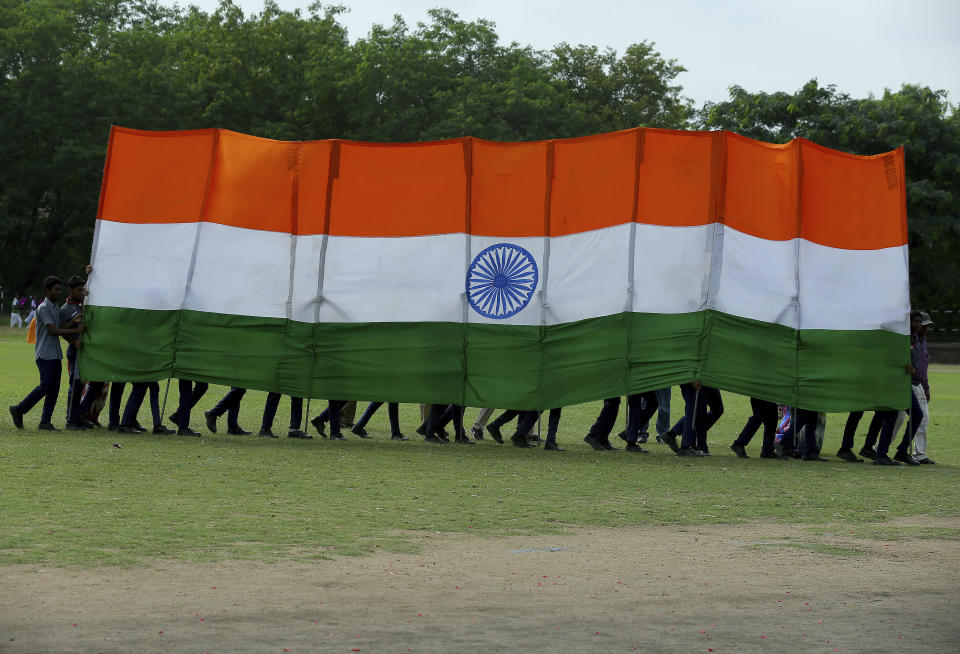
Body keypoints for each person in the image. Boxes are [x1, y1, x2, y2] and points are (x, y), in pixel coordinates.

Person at [9, 276, 84, 430]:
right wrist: (75, 330)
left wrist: (72, 321)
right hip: (45, 355)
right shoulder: (43, 308)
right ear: (47, 290)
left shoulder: (55, 307)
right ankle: (18, 409)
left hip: (55, 355)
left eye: (59, 290)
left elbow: (60, 325)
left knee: (54, 390)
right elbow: (53, 331)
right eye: (55, 289)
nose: (58, 292)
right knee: (46, 386)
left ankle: (45, 422)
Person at [60, 276, 96, 431]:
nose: (82, 292)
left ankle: (80, 414)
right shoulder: (65, 309)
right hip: (75, 351)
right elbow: (60, 329)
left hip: (89, 352)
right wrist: (73, 341)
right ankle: (71, 420)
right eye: (79, 290)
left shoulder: (85, 304)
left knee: (96, 382)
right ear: (70, 290)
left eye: (83, 289)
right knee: (75, 385)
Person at [908, 311, 936, 464]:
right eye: (924, 325)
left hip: (919, 386)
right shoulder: (912, 340)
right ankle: (880, 448)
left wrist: (927, 388)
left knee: (923, 418)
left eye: (927, 326)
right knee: (897, 419)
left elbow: (923, 368)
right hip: (907, 384)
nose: (926, 328)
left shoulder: (922, 341)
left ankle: (919, 454)